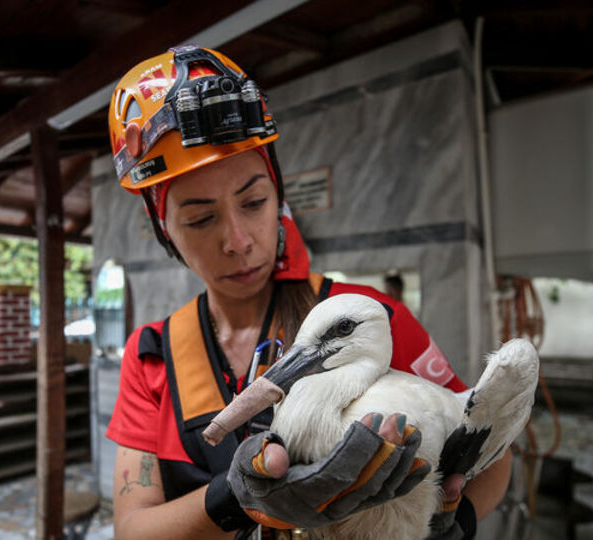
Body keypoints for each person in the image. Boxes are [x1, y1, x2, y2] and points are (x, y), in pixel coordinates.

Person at [105, 46, 512, 540]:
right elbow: (132, 529)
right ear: (163, 229)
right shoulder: (151, 356)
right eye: (200, 218)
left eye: (254, 202)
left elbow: (488, 450)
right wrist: (235, 497)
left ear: (278, 194)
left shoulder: (368, 320)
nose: (238, 241)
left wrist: (453, 527)